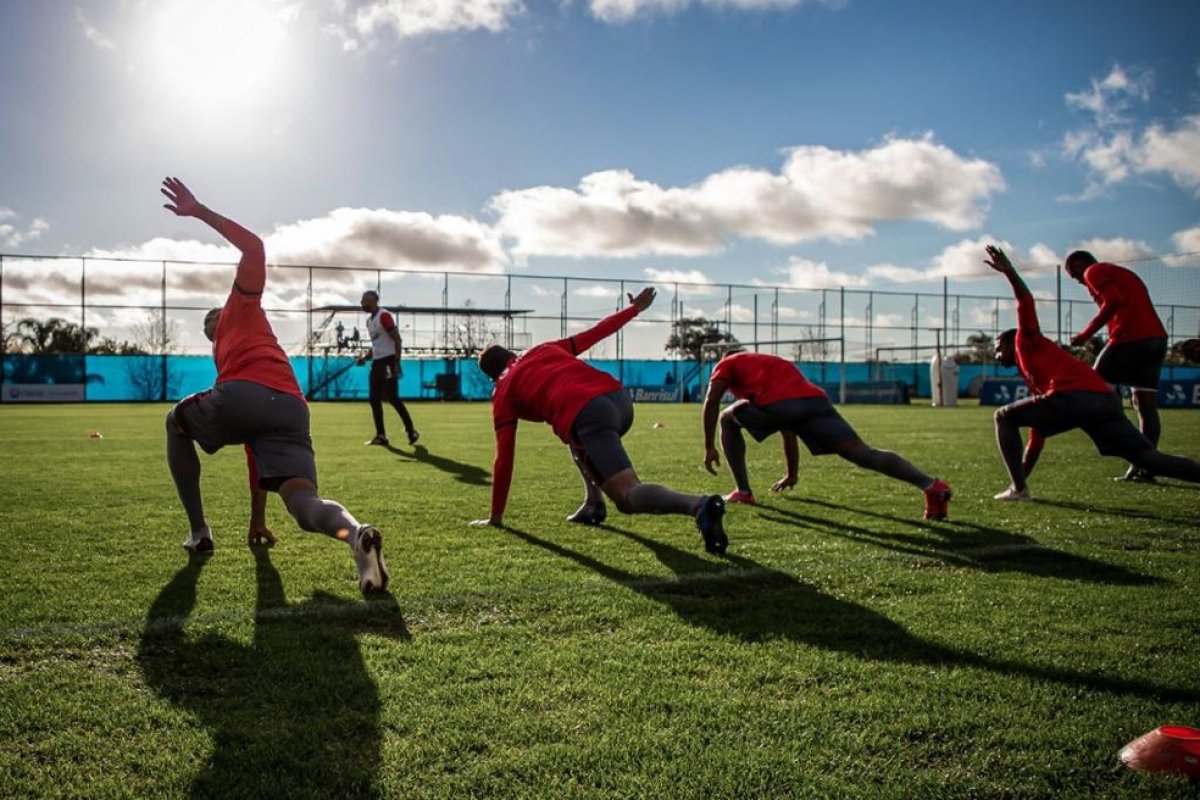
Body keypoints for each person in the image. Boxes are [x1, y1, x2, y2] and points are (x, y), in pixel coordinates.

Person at [161, 177, 388, 592]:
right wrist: (258, 518)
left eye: (211, 317)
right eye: (207, 325)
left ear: (223, 310)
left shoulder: (240, 305)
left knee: (175, 420)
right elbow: (253, 447)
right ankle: (356, 535)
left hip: (251, 397)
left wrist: (199, 211)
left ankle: (199, 531)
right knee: (304, 504)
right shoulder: (230, 351)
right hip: (288, 406)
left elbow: (255, 249)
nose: (210, 324)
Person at [470, 288, 729, 555]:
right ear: (512, 353)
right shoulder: (542, 350)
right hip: (619, 400)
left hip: (588, 414)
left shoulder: (502, 389)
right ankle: (593, 502)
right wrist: (633, 310)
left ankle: (698, 505)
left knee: (628, 496)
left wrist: (496, 516)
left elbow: (504, 458)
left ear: (492, 376)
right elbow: (596, 333)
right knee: (574, 437)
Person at [983, 245, 1200, 499]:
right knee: (1149, 458)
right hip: (1105, 401)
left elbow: (1025, 300)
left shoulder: (1026, 338)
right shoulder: (1037, 373)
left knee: (1003, 416)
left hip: (1079, 393)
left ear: (1012, 341)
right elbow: (1036, 436)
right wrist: (1020, 479)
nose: (997, 355)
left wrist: (1010, 272)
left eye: (999, 348)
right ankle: (1018, 489)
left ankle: (1018, 489)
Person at [701, 351, 952, 519]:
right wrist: (792, 473)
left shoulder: (726, 364)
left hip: (781, 406)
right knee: (860, 452)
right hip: (815, 401)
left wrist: (708, 446)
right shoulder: (771, 367)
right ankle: (931, 485)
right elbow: (789, 428)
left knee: (726, 418)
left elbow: (711, 401)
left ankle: (743, 492)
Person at [1064, 250, 1169, 482]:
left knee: (1094, 389)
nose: (1081, 281)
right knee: (1144, 404)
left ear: (1081, 264)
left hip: (1130, 338)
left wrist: (1085, 334)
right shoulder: (1118, 272)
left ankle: (1124, 445)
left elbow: (1114, 300)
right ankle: (1145, 466)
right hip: (1156, 339)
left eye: (1075, 276)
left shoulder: (1094, 270)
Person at [358, 290, 419, 447]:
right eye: (362, 300)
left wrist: (397, 363)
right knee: (374, 399)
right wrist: (365, 358)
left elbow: (397, 339)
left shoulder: (384, 316)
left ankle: (411, 429)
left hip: (389, 362)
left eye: (366, 300)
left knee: (392, 397)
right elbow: (376, 344)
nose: (362, 303)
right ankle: (381, 435)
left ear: (375, 301)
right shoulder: (369, 321)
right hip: (377, 363)